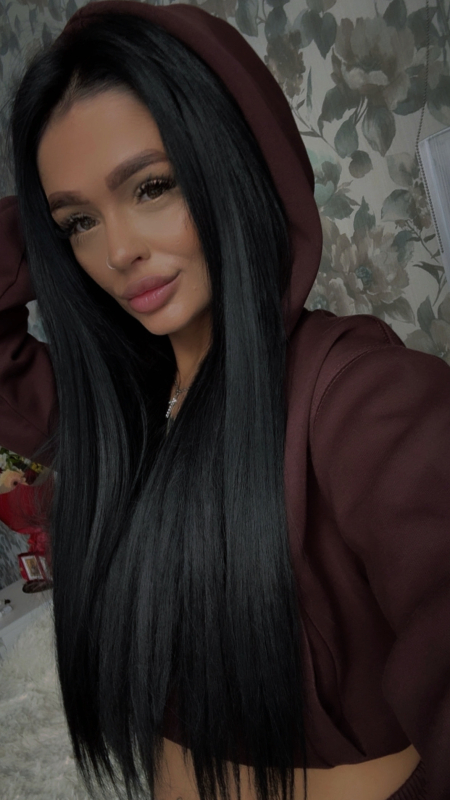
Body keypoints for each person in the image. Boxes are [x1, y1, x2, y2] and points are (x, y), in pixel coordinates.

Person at [1, 2, 449, 799]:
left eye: (152, 186)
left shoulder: (364, 403)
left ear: (233, 160)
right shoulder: (115, 417)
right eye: (79, 222)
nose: (117, 251)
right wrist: (37, 231)